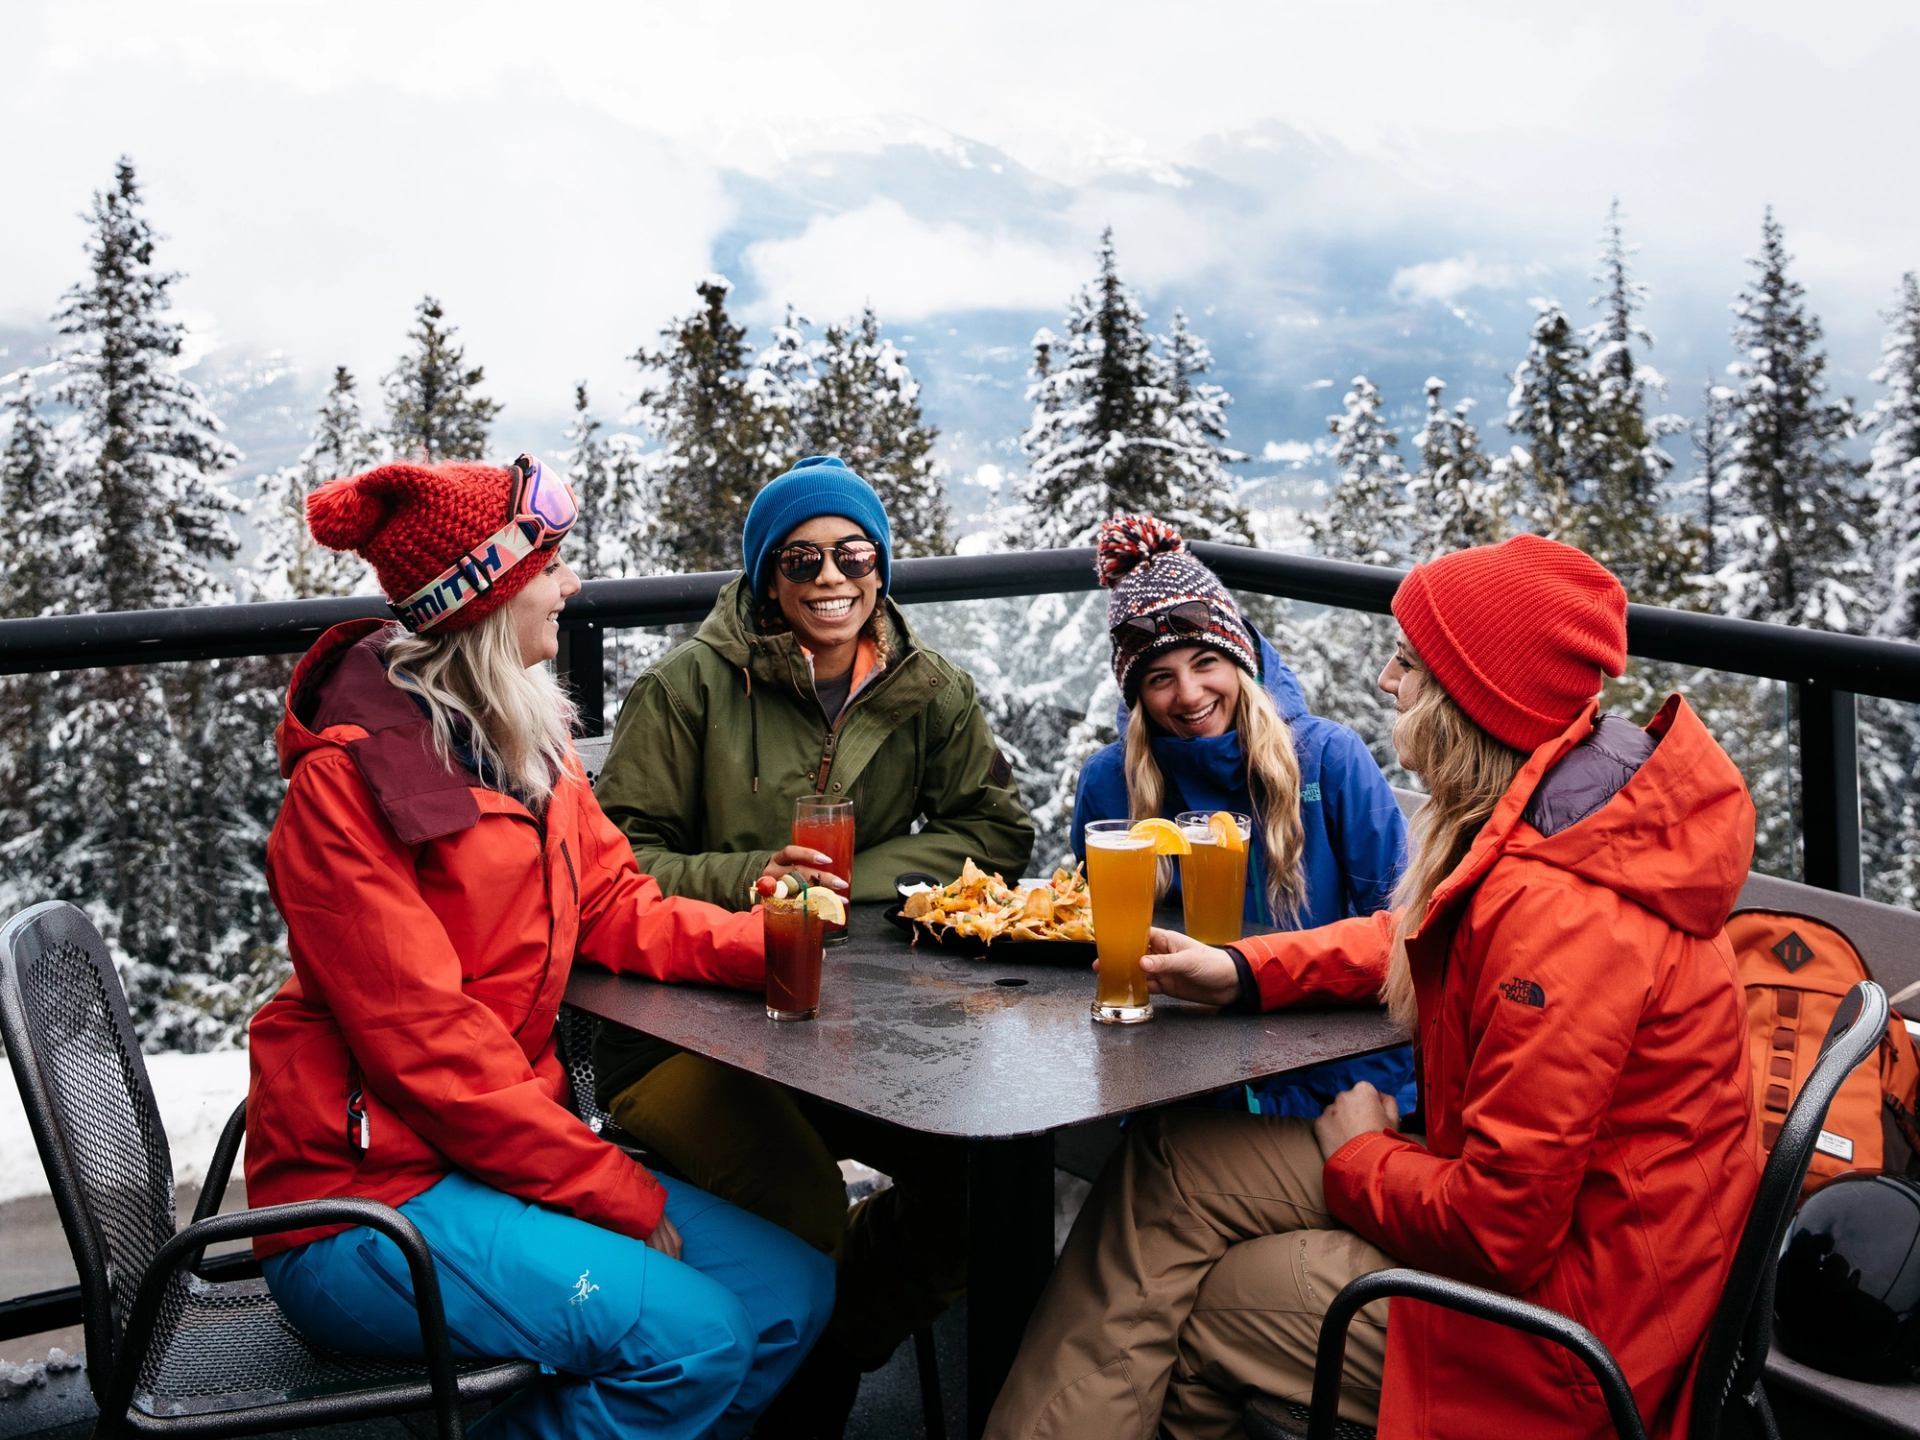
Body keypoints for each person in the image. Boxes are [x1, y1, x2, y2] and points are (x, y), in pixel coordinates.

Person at [987, 534, 1761, 1440]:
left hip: (1569, 1332)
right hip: (1530, 1211)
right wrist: (1240, 969)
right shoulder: (1557, 810)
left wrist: (1362, 1160)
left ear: (1474, 698)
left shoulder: (1568, 917)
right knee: (1172, 1158)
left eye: (1407, 663)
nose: (1387, 683)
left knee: (1211, 1299)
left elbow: (1501, 1232)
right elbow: (1410, 933)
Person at [245, 456, 834, 1440]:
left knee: (792, 1296)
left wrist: (764, 946)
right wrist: (615, 1192)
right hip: (364, 1200)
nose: (571, 585)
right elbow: (432, 1053)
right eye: (552, 564)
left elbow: (614, 903)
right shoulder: (344, 796)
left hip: (491, 1161)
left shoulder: (530, 753)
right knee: (694, 1342)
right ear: (488, 594)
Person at [592, 454, 1035, 1431]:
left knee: (981, 1196)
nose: (831, 579)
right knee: (800, 1206)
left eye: (852, 554)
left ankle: (828, 1347)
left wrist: (847, 880)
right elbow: (614, 860)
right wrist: (759, 877)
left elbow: (999, 829)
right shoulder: (685, 692)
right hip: (688, 1033)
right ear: (765, 578)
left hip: (857, 1033)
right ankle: (801, 1398)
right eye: (800, 561)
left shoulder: (928, 689)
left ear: (881, 567)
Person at [1074, 513, 1413, 1116]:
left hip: (1331, 1084)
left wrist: (1369, 1099)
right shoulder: (1110, 783)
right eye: (1159, 677)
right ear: (1136, 696)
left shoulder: (1328, 760)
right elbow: (1094, 940)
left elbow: (1409, 946)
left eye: (1206, 662)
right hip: (1170, 1085)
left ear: (1241, 661)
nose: (1188, 694)